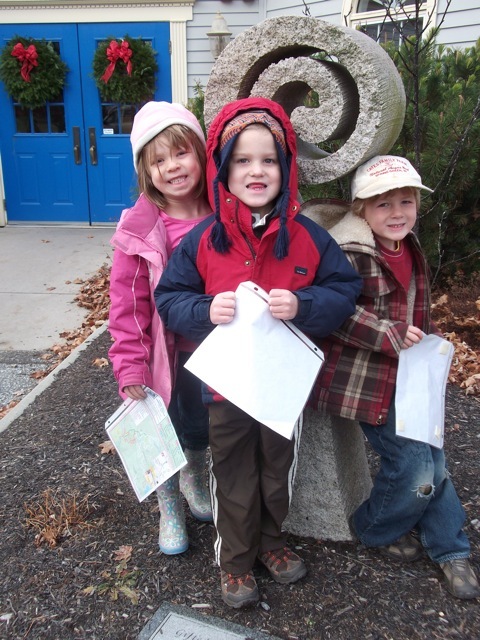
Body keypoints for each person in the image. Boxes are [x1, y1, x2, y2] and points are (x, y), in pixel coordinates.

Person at [154, 97, 362, 608]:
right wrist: (205, 309)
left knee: (276, 468)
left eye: (268, 160)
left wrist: (305, 303)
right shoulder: (206, 240)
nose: (256, 170)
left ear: (286, 169)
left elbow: (343, 288)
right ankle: (236, 563)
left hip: (281, 385)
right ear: (223, 170)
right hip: (226, 387)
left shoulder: (309, 238)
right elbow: (169, 298)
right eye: (243, 160)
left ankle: (272, 541)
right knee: (233, 475)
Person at [315, 155, 480, 600]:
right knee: (414, 469)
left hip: (409, 378)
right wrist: (386, 333)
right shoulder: (351, 252)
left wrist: (430, 341)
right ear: (360, 210)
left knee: (435, 460)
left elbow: (414, 313)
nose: (397, 212)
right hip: (368, 382)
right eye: (382, 204)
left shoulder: (409, 247)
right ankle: (371, 527)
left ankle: (450, 549)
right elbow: (332, 313)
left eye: (405, 201)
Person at [108, 101, 213, 556]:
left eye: (181, 153)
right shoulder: (141, 226)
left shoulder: (222, 210)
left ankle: (193, 478)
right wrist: (129, 365)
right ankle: (169, 505)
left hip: (214, 350)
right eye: (158, 161)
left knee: (202, 428)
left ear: (201, 154)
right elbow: (127, 304)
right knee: (162, 431)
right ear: (146, 172)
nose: (172, 167)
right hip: (163, 355)